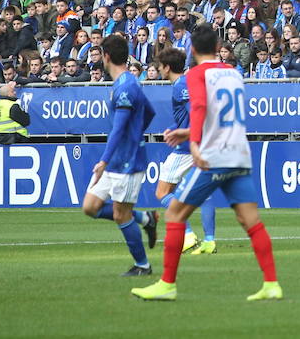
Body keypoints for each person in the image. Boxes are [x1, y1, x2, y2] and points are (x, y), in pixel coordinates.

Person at [132, 26, 282, 302]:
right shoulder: (234, 73)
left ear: (192, 49)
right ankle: (271, 283)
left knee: (174, 213)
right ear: (217, 47)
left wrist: (196, 143)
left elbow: (199, 108)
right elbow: (222, 114)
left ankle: (167, 284)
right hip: (239, 151)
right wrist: (188, 133)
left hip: (215, 154)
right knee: (250, 220)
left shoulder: (197, 75)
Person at [80, 33, 159, 277]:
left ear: (106, 56)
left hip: (126, 161)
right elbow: (150, 112)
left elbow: (120, 127)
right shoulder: (127, 82)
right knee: (90, 207)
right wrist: (137, 131)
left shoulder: (125, 86)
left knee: (119, 214)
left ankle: (143, 266)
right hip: (118, 158)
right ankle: (146, 219)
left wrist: (104, 159)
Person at [153, 47, 215, 255]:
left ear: (167, 67)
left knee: (163, 192)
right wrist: (174, 127)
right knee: (204, 195)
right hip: (204, 143)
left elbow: (195, 114)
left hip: (188, 148)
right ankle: (210, 241)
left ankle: (187, 235)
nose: (159, 70)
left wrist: (184, 133)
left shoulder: (180, 85)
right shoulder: (190, 82)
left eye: (160, 66)